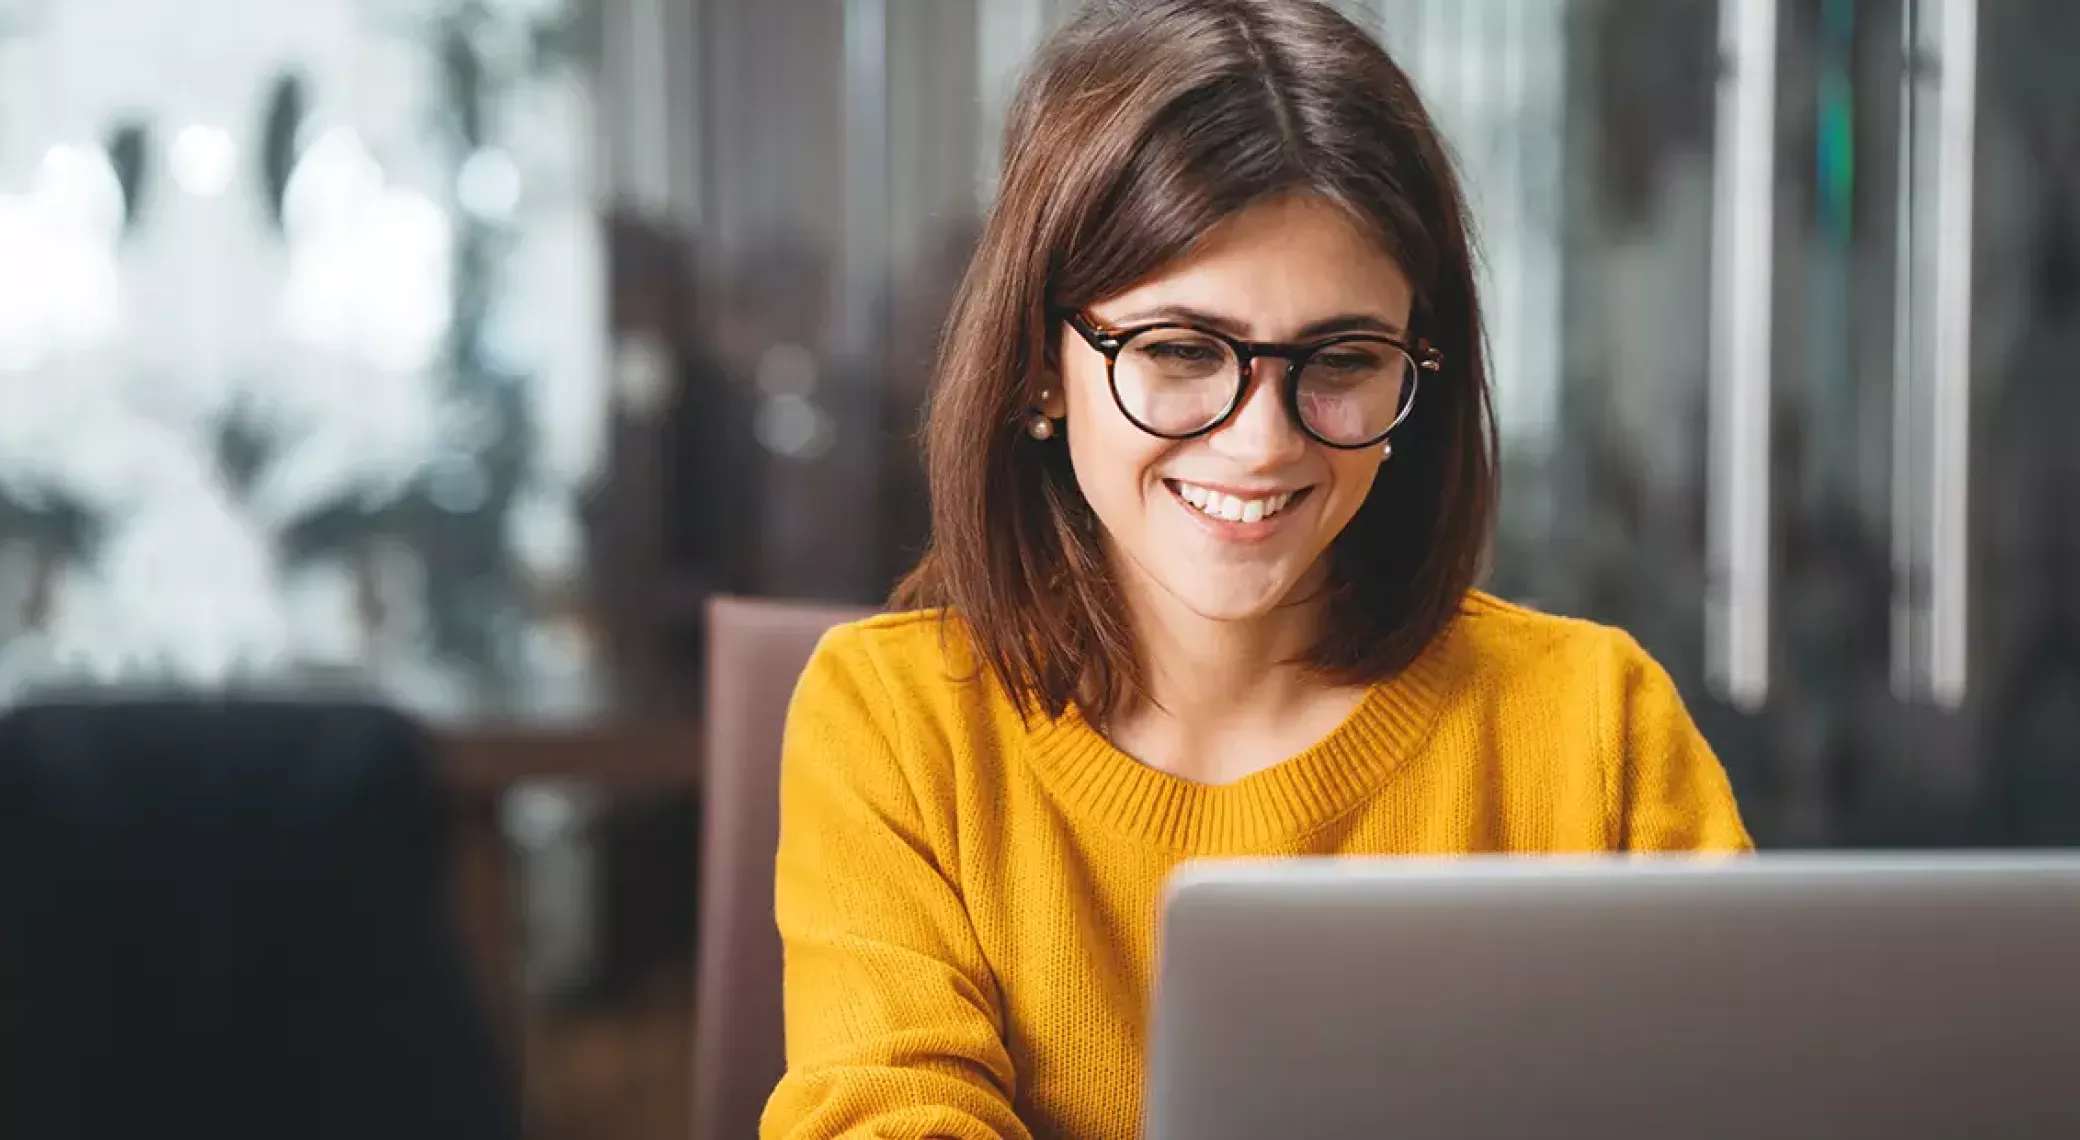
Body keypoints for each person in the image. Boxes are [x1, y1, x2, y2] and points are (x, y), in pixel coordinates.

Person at [762, 2, 1751, 1137]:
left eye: (1340, 359)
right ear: (1042, 365)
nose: (1263, 441)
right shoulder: (896, 722)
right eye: (1180, 352)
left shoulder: (1594, 724)